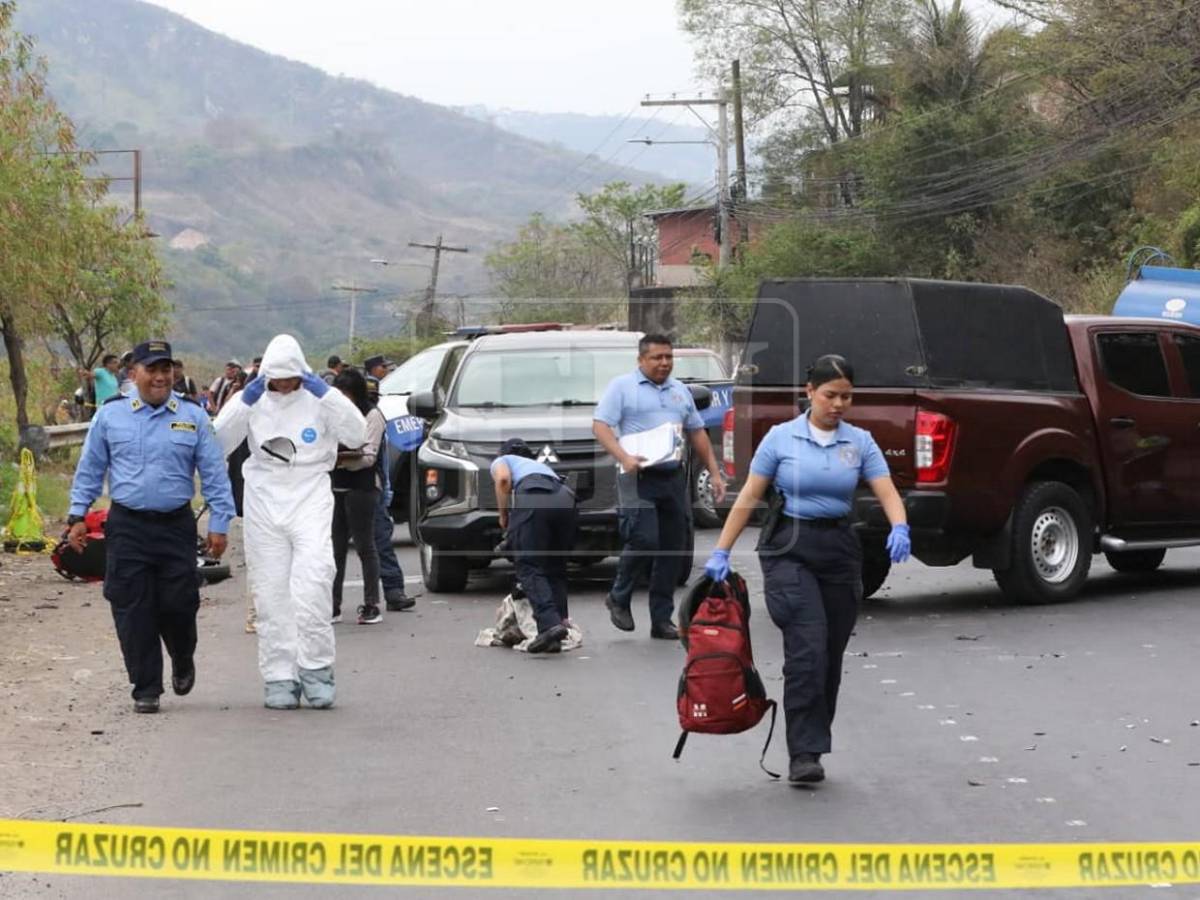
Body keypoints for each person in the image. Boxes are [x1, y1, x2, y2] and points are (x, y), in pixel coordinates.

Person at [703, 354, 911, 785]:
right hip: (789, 548)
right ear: (809, 392)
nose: (838, 404)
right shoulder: (781, 439)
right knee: (808, 649)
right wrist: (721, 551)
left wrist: (900, 525)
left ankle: (814, 742)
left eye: (846, 397)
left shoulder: (860, 442)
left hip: (838, 548)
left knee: (830, 656)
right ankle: (803, 753)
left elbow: (887, 490)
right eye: (830, 395)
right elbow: (748, 498)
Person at [65, 340, 236, 714]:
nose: (160, 377)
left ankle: (182, 655)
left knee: (179, 603)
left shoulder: (192, 416)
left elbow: (213, 473)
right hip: (127, 525)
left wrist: (219, 524)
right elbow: (90, 469)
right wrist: (78, 515)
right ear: (133, 374)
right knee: (131, 606)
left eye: (166, 370)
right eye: (152, 370)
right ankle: (146, 686)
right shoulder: (111, 416)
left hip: (175, 525)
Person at [214, 334, 365, 710]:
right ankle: (280, 675)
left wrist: (324, 393)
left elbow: (357, 433)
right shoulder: (253, 400)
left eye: (289, 378)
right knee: (270, 592)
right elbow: (217, 441)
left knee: (313, 581)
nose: (282, 386)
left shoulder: (320, 399)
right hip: (264, 496)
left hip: (310, 492)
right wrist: (243, 399)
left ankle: (316, 670)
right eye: (275, 379)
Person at [593, 333, 726, 640]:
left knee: (671, 547)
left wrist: (715, 473)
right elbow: (600, 425)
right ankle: (619, 597)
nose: (664, 363)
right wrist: (623, 457)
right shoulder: (622, 388)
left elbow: (697, 433)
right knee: (643, 539)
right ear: (641, 360)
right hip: (637, 475)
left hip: (671, 476)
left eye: (668, 357)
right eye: (657, 357)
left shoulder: (679, 391)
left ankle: (661, 619)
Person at [491, 438, 578, 653]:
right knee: (554, 566)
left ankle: (549, 625)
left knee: (529, 564)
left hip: (534, 496)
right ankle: (560, 624)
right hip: (565, 499)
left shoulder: (503, 460)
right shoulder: (541, 466)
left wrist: (503, 516)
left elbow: (502, 480)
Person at [330, 368, 386, 625]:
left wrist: (340, 460)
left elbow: (369, 456)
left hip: (362, 487)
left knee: (365, 546)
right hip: (335, 486)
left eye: (346, 394)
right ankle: (332, 605)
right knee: (334, 549)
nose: (343, 400)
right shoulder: (333, 415)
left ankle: (372, 603)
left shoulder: (372, 415)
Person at [365, 375, 415, 611]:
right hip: (344, 491)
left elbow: (382, 463)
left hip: (373, 491)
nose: (371, 402)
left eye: (374, 397)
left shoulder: (377, 420)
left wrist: (386, 495)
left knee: (381, 542)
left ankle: (394, 592)